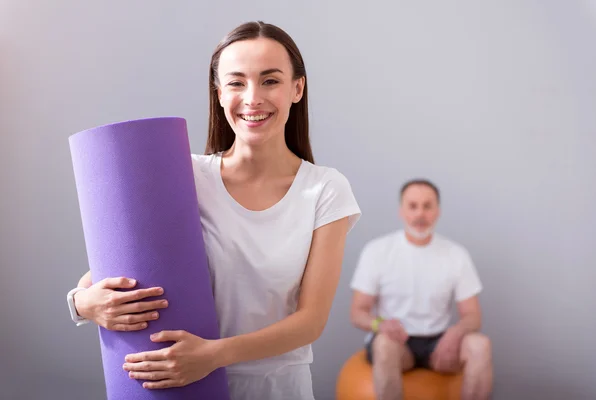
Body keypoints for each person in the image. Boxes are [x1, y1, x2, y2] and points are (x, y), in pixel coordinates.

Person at [65, 21, 361, 400]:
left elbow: (310, 322)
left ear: (297, 89)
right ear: (220, 94)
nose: (252, 97)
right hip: (181, 388)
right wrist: (82, 303)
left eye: (270, 81)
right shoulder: (184, 175)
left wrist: (212, 356)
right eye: (237, 83)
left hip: (277, 389)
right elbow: (117, 270)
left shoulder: (325, 189)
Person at [349, 179, 492, 400]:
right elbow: (358, 312)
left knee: (480, 345)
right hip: (396, 341)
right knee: (384, 345)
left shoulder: (456, 254)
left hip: (440, 344)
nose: (420, 215)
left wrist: (456, 333)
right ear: (401, 211)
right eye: (413, 206)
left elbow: (473, 316)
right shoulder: (377, 251)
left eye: (427, 206)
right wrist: (380, 324)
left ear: (438, 211)